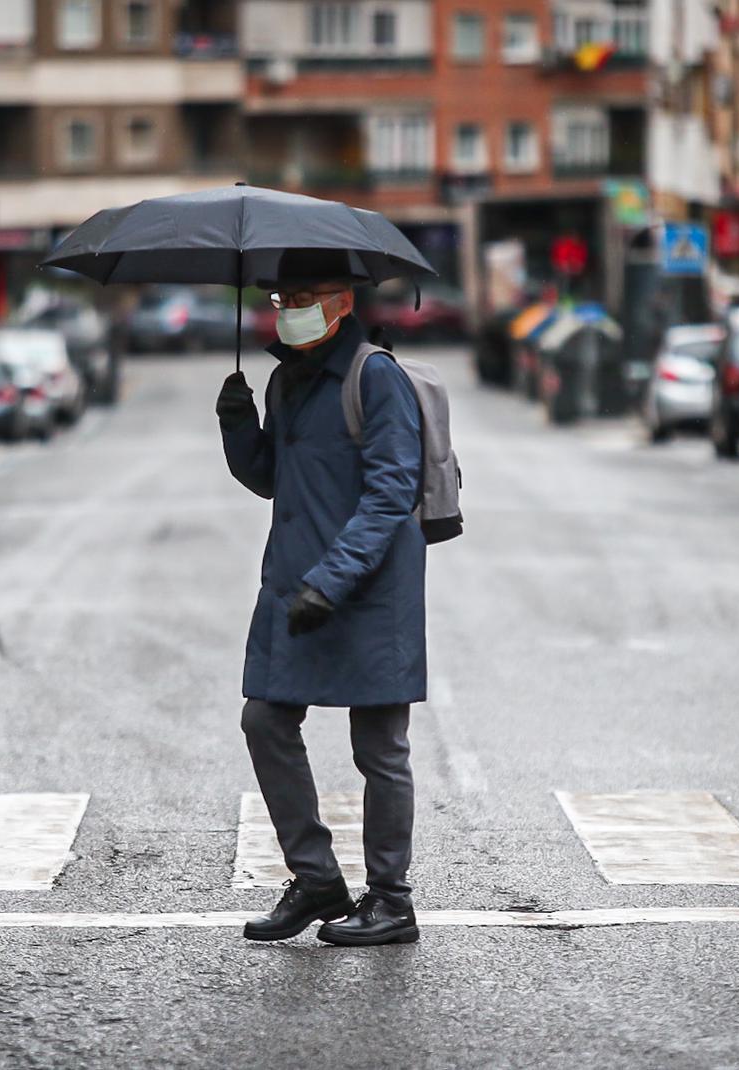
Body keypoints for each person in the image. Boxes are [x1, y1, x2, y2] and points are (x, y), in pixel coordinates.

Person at [216, 248, 427, 947]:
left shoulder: (377, 377)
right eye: (281, 298)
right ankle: (316, 881)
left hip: (364, 589)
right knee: (264, 722)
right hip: (296, 585)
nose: (288, 308)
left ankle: (392, 902)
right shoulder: (285, 381)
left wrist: (333, 580)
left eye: (302, 296)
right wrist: (237, 425)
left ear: (341, 302)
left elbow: (394, 490)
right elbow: (275, 478)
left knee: (380, 751)